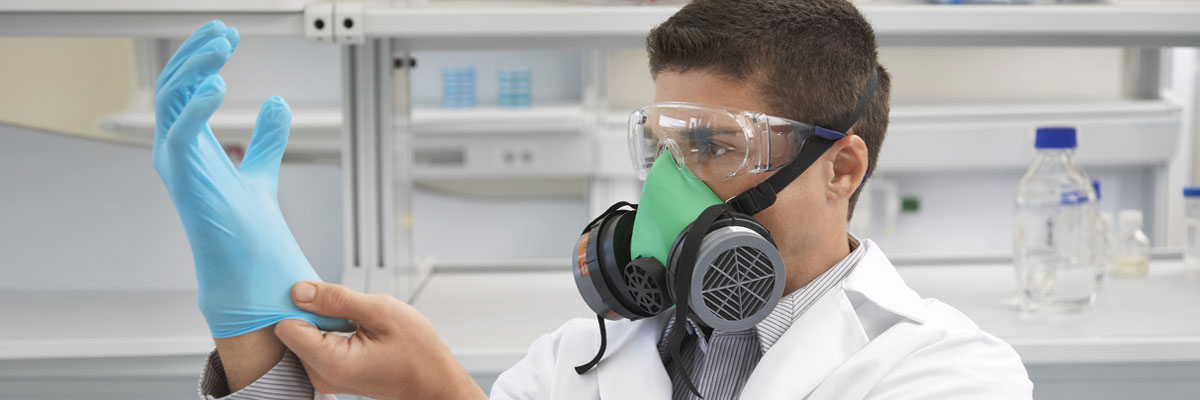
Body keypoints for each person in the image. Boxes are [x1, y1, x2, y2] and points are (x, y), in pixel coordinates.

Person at [153, 1, 1033, 399]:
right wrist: (257, 331)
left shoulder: (951, 372)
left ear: (841, 168)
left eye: (714, 146)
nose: (669, 187)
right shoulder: (576, 360)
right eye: (662, 146)